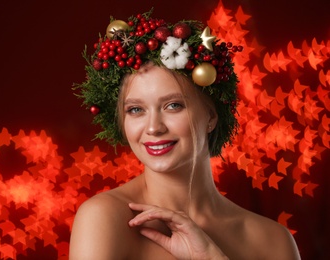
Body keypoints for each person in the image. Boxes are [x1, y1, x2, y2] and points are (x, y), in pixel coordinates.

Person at [70, 9, 300, 259]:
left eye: (173, 106)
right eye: (136, 109)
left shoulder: (273, 241)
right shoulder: (104, 218)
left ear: (211, 116)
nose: (153, 127)